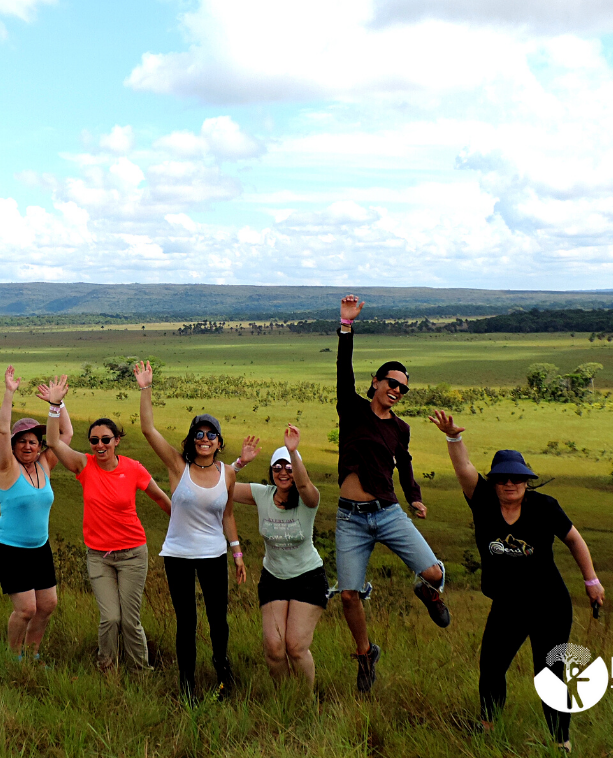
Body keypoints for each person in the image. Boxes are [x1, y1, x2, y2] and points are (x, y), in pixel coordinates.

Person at [428, 409, 606, 754]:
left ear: (527, 481)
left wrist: (592, 581)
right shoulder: (482, 501)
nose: (510, 484)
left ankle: (561, 742)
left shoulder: (544, 506)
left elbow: (574, 540)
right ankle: (487, 725)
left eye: (517, 479)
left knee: (549, 673)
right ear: (494, 481)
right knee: (492, 665)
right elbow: (464, 469)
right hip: (508, 604)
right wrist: (453, 437)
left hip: (550, 604)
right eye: (503, 479)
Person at [335, 293, 450, 694]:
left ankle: (425, 589)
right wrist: (347, 326)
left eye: (403, 388)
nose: (397, 390)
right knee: (349, 595)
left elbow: (405, 462)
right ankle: (366, 655)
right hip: (350, 517)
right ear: (375, 382)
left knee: (434, 572)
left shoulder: (400, 428)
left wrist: (414, 495)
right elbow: (342, 370)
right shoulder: (351, 409)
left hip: (387, 511)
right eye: (392, 383)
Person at [40, 375, 172, 674]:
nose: (100, 445)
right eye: (94, 440)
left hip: (133, 555)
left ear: (117, 441)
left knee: (129, 619)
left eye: (106, 440)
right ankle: (106, 668)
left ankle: (140, 671)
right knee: (110, 618)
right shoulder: (83, 465)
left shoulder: (133, 469)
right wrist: (55, 406)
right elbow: (52, 441)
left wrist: (183, 526)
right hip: (99, 556)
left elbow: (163, 500)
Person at [134, 360, 247, 701]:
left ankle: (223, 676)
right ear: (191, 439)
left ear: (219, 442)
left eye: (211, 434)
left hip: (214, 554)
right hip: (178, 555)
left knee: (218, 620)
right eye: (199, 434)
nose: (204, 439)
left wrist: (237, 553)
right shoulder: (177, 466)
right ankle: (187, 686)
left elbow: (227, 516)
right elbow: (148, 430)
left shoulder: (227, 473)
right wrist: (145, 388)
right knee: (186, 622)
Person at [229, 425, 327, 687]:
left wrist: (293, 453)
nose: (283, 472)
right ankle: (285, 700)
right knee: (274, 649)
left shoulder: (309, 500)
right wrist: (239, 463)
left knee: (295, 647)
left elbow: (304, 483)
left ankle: (306, 703)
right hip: (274, 577)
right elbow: (221, 486)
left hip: (308, 578)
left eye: (288, 468)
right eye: (277, 468)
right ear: (271, 472)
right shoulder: (263, 494)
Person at [0, 365, 73, 661]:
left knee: (47, 605)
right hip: (11, 550)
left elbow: (66, 433)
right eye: (22, 440)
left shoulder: (45, 465)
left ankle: (33, 656)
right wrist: (9, 394)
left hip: (40, 548)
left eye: (33, 441)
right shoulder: (7, 468)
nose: (28, 445)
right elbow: (2, 429)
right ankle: (13, 659)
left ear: (40, 446)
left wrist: (57, 404)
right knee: (26, 609)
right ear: (13, 446)